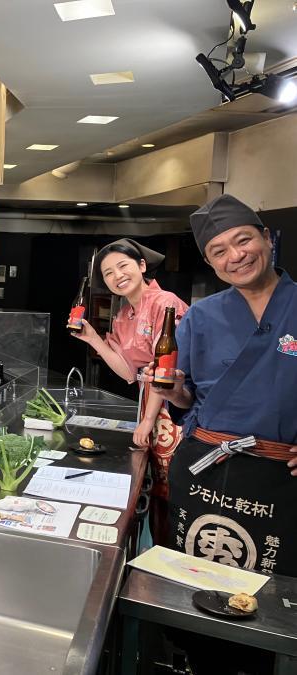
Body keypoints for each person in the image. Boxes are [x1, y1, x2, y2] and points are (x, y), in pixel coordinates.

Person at [146, 194, 296, 675]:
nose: (236, 256)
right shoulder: (203, 316)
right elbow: (185, 398)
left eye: (243, 240)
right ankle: (198, 662)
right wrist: (169, 391)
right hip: (207, 468)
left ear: (268, 240)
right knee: (200, 582)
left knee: (273, 597)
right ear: (210, 262)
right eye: (219, 251)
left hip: (279, 476)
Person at [72, 238, 189, 544]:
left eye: (122, 266)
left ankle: (172, 552)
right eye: (108, 273)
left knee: (171, 487)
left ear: (141, 266)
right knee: (151, 485)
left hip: (174, 407)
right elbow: (128, 373)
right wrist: (94, 339)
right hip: (146, 403)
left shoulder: (166, 303)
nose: (116, 276)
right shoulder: (124, 315)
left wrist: (150, 420)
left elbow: (164, 368)